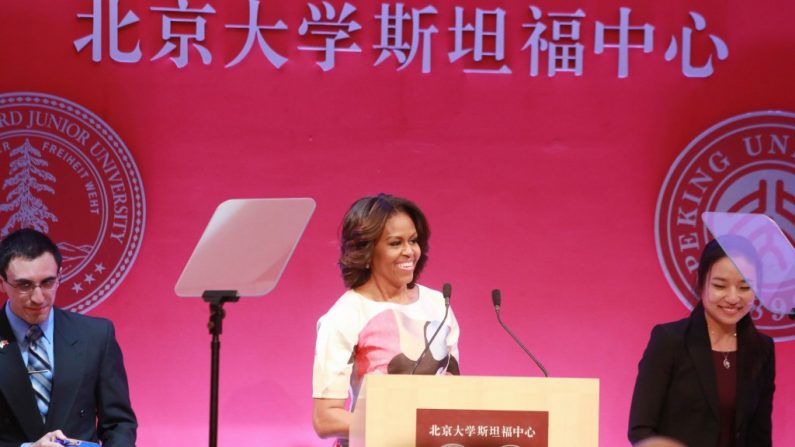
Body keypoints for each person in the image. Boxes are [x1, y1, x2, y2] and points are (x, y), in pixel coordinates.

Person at [312, 194, 460, 445]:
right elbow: (325, 419)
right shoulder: (345, 315)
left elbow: (454, 396)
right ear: (367, 251)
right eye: (395, 243)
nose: (409, 251)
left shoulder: (439, 306)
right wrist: (401, 425)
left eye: (413, 240)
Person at [628, 236, 775, 447]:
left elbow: (760, 437)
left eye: (744, 287)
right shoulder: (669, 341)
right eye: (720, 286)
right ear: (701, 282)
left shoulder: (762, 349)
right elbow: (640, 429)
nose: (733, 297)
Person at [0, 228, 137, 447]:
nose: (38, 297)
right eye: (24, 285)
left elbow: (119, 424)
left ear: (60, 276)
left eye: (47, 282)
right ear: (2, 282)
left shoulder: (96, 336)